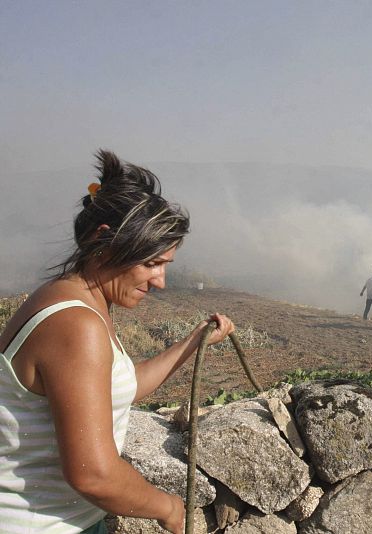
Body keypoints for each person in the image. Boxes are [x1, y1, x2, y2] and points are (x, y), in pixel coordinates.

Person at [0, 151, 236, 534]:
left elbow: (118, 388)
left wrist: (193, 342)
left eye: (165, 265)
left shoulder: (77, 301)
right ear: (104, 240)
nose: (159, 280)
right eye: (151, 263)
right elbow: (93, 474)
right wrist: (168, 507)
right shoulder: (76, 324)